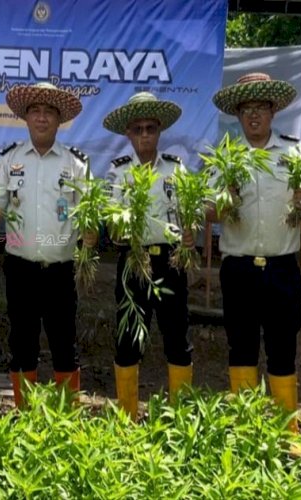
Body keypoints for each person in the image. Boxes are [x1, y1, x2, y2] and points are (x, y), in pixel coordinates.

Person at [208, 73, 301, 433]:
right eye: (245, 110)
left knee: (282, 346)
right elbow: (207, 212)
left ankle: (286, 427)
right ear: (238, 115)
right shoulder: (226, 157)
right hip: (238, 267)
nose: (253, 116)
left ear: (273, 110)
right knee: (240, 345)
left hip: (282, 267)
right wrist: (223, 201)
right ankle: (246, 426)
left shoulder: (295, 152)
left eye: (260, 108)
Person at [0, 82, 89, 408]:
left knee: (64, 342)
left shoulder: (75, 163)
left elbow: (87, 215)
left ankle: (67, 417)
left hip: (61, 268)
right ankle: (24, 413)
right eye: (36, 111)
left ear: (59, 120)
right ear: (26, 117)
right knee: (22, 341)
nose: (42, 118)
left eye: (50, 112)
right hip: (20, 267)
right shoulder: (9, 159)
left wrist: (91, 240)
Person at [101, 92, 194, 419]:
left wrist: (191, 231)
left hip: (170, 262)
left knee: (177, 336)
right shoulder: (118, 173)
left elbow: (190, 214)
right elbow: (110, 228)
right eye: (137, 129)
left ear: (159, 132)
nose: (144, 135)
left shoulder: (175, 169)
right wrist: (119, 230)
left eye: (150, 128)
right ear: (128, 133)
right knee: (128, 338)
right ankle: (127, 415)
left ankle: (178, 416)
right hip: (133, 261)